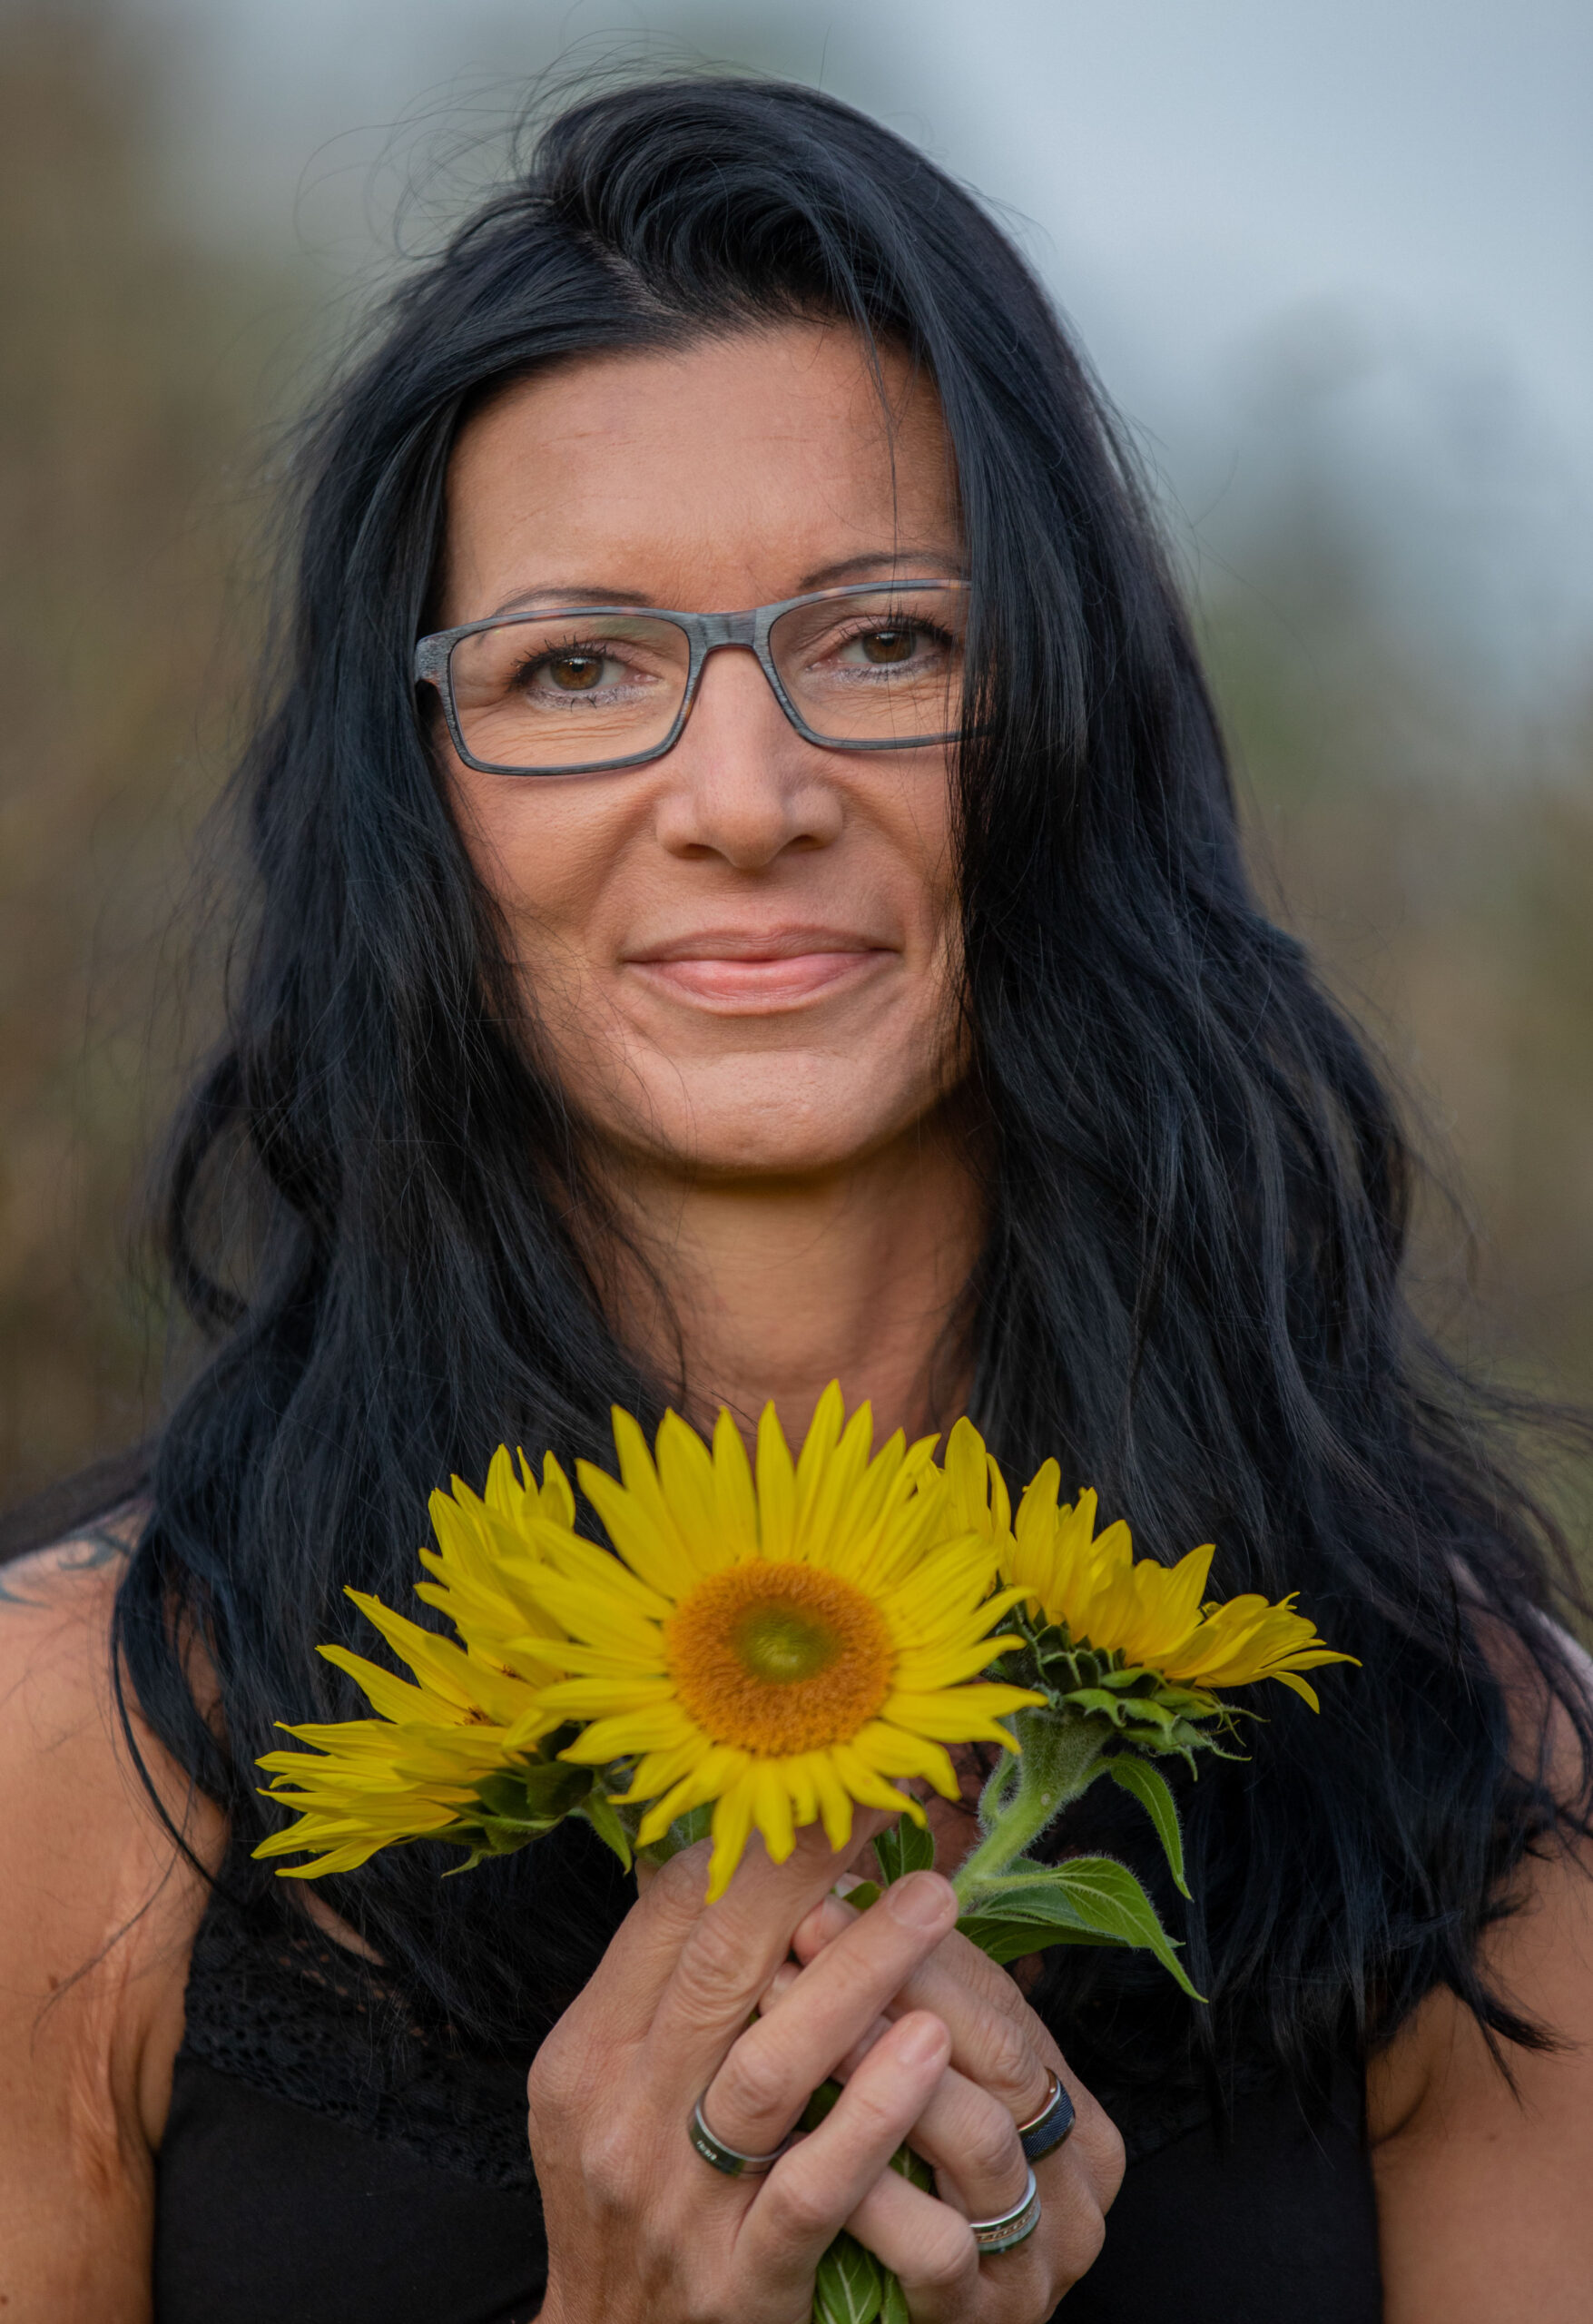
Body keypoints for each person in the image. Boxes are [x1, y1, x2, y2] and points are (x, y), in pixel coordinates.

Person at [1, 74, 1589, 2324]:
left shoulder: (1463, 1754)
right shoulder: (71, 1758)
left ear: (1069, 728)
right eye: (577, 667)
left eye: (884, 643)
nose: (742, 798)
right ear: (416, 806)